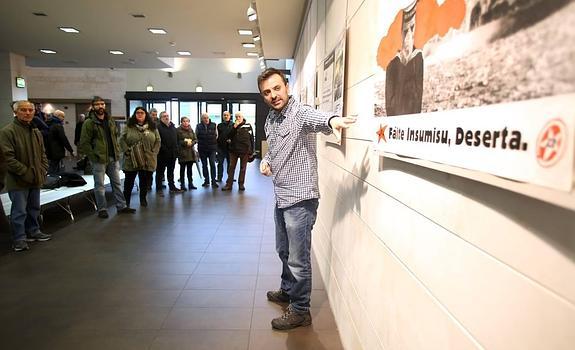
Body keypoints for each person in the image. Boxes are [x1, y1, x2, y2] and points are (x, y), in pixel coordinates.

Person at [258, 68, 356, 330]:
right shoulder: (272, 119)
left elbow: (319, 118)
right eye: (267, 92)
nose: (273, 95)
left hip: (301, 199)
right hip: (281, 194)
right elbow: (276, 149)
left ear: (286, 87)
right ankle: (288, 290)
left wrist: (333, 121)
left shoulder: (299, 113)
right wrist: (267, 161)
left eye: (276, 88)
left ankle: (300, 310)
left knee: (298, 260)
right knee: (283, 250)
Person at [0, 100, 51, 252]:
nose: (28, 113)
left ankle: (33, 231)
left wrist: (43, 169)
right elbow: (8, 158)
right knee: (19, 211)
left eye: (30, 110)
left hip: (35, 178)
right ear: (16, 112)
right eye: (23, 110)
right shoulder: (7, 132)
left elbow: (42, 154)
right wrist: (25, 172)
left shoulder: (35, 132)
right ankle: (19, 238)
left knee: (34, 208)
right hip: (17, 180)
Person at [80, 96, 135, 218]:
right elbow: (84, 143)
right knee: (99, 185)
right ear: (93, 106)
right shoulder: (89, 123)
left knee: (117, 183)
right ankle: (102, 209)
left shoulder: (110, 120)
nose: (100, 106)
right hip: (99, 159)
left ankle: (122, 206)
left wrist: (117, 153)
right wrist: (93, 157)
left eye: (102, 104)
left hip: (113, 157)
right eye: (98, 104)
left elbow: (115, 137)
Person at [384, 0, 423, 116]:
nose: (408, 36)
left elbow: (418, 91)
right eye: (406, 31)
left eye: (412, 30)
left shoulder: (418, 58)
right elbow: (389, 94)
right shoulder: (393, 63)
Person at [120, 107, 160, 208]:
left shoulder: (152, 127)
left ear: (146, 114)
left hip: (148, 158)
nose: (140, 114)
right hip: (131, 159)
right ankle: (126, 203)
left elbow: (158, 140)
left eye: (142, 113)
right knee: (129, 182)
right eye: (137, 113)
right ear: (135, 114)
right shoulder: (129, 126)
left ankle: (143, 199)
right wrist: (127, 151)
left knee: (144, 181)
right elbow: (121, 139)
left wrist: (154, 152)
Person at [221, 111, 254, 191]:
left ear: (242, 117)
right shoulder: (232, 126)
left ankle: (241, 184)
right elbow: (228, 136)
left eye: (239, 117)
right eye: (236, 117)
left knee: (243, 168)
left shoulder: (248, 126)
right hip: (233, 150)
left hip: (245, 150)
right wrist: (234, 127)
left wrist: (252, 151)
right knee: (231, 167)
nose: (238, 118)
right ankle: (229, 184)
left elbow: (251, 139)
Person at [156, 111, 184, 195]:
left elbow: (177, 139)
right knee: (160, 172)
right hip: (162, 154)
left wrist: (176, 150)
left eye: (167, 116)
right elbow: (158, 141)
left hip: (173, 154)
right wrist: (164, 149)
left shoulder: (173, 127)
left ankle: (172, 187)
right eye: (164, 116)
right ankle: (159, 188)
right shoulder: (158, 127)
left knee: (171, 171)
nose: (166, 117)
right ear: (161, 118)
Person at [46, 109, 74, 174]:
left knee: (52, 165)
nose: (63, 118)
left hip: (49, 149)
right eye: (63, 116)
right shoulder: (58, 125)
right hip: (56, 150)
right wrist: (70, 150)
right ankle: (53, 181)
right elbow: (63, 139)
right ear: (58, 116)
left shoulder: (48, 123)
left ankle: (51, 179)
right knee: (54, 167)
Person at [195, 113, 218, 188]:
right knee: (204, 165)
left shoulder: (214, 125)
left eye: (207, 117)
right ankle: (206, 180)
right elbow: (196, 136)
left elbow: (217, 135)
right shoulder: (198, 126)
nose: (206, 119)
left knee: (212, 164)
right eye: (204, 118)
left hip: (212, 148)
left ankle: (214, 180)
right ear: (202, 119)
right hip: (202, 148)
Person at [176, 116, 198, 191]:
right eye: (184, 121)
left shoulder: (191, 130)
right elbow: (177, 141)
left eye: (187, 121)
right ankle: (182, 184)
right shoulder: (178, 130)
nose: (186, 123)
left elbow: (195, 139)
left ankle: (190, 184)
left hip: (191, 152)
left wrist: (192, 143)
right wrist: (185, 143)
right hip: (182, 152)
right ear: (181, 122)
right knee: (182, 170)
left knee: (190, 169)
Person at [216, 111, 234, 182]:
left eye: (227, 115)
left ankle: (230, 177)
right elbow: (217, 136)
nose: (226, 116)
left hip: (230, 148)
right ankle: (219, 178)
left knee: (230, 164)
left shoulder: (233, 125)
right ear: (222, 116)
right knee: (220, 163)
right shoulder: (219, 125)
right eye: (224, 115)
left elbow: (235, 136)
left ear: (230, 116)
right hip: (221, 148)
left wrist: (231, 140)